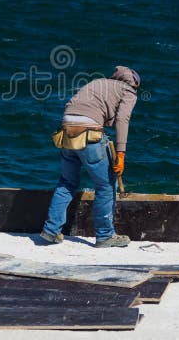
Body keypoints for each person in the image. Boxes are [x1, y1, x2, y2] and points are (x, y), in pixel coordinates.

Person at [40, 65, 140, 248]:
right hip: (89, 134)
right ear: (133, 83)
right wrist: (121, 153)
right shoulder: (129, 91)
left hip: (66, 129)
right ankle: (105, 235)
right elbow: (122, 120)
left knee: (67, 182)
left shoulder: (98, 83)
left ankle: (51, 231)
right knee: (106, 185)